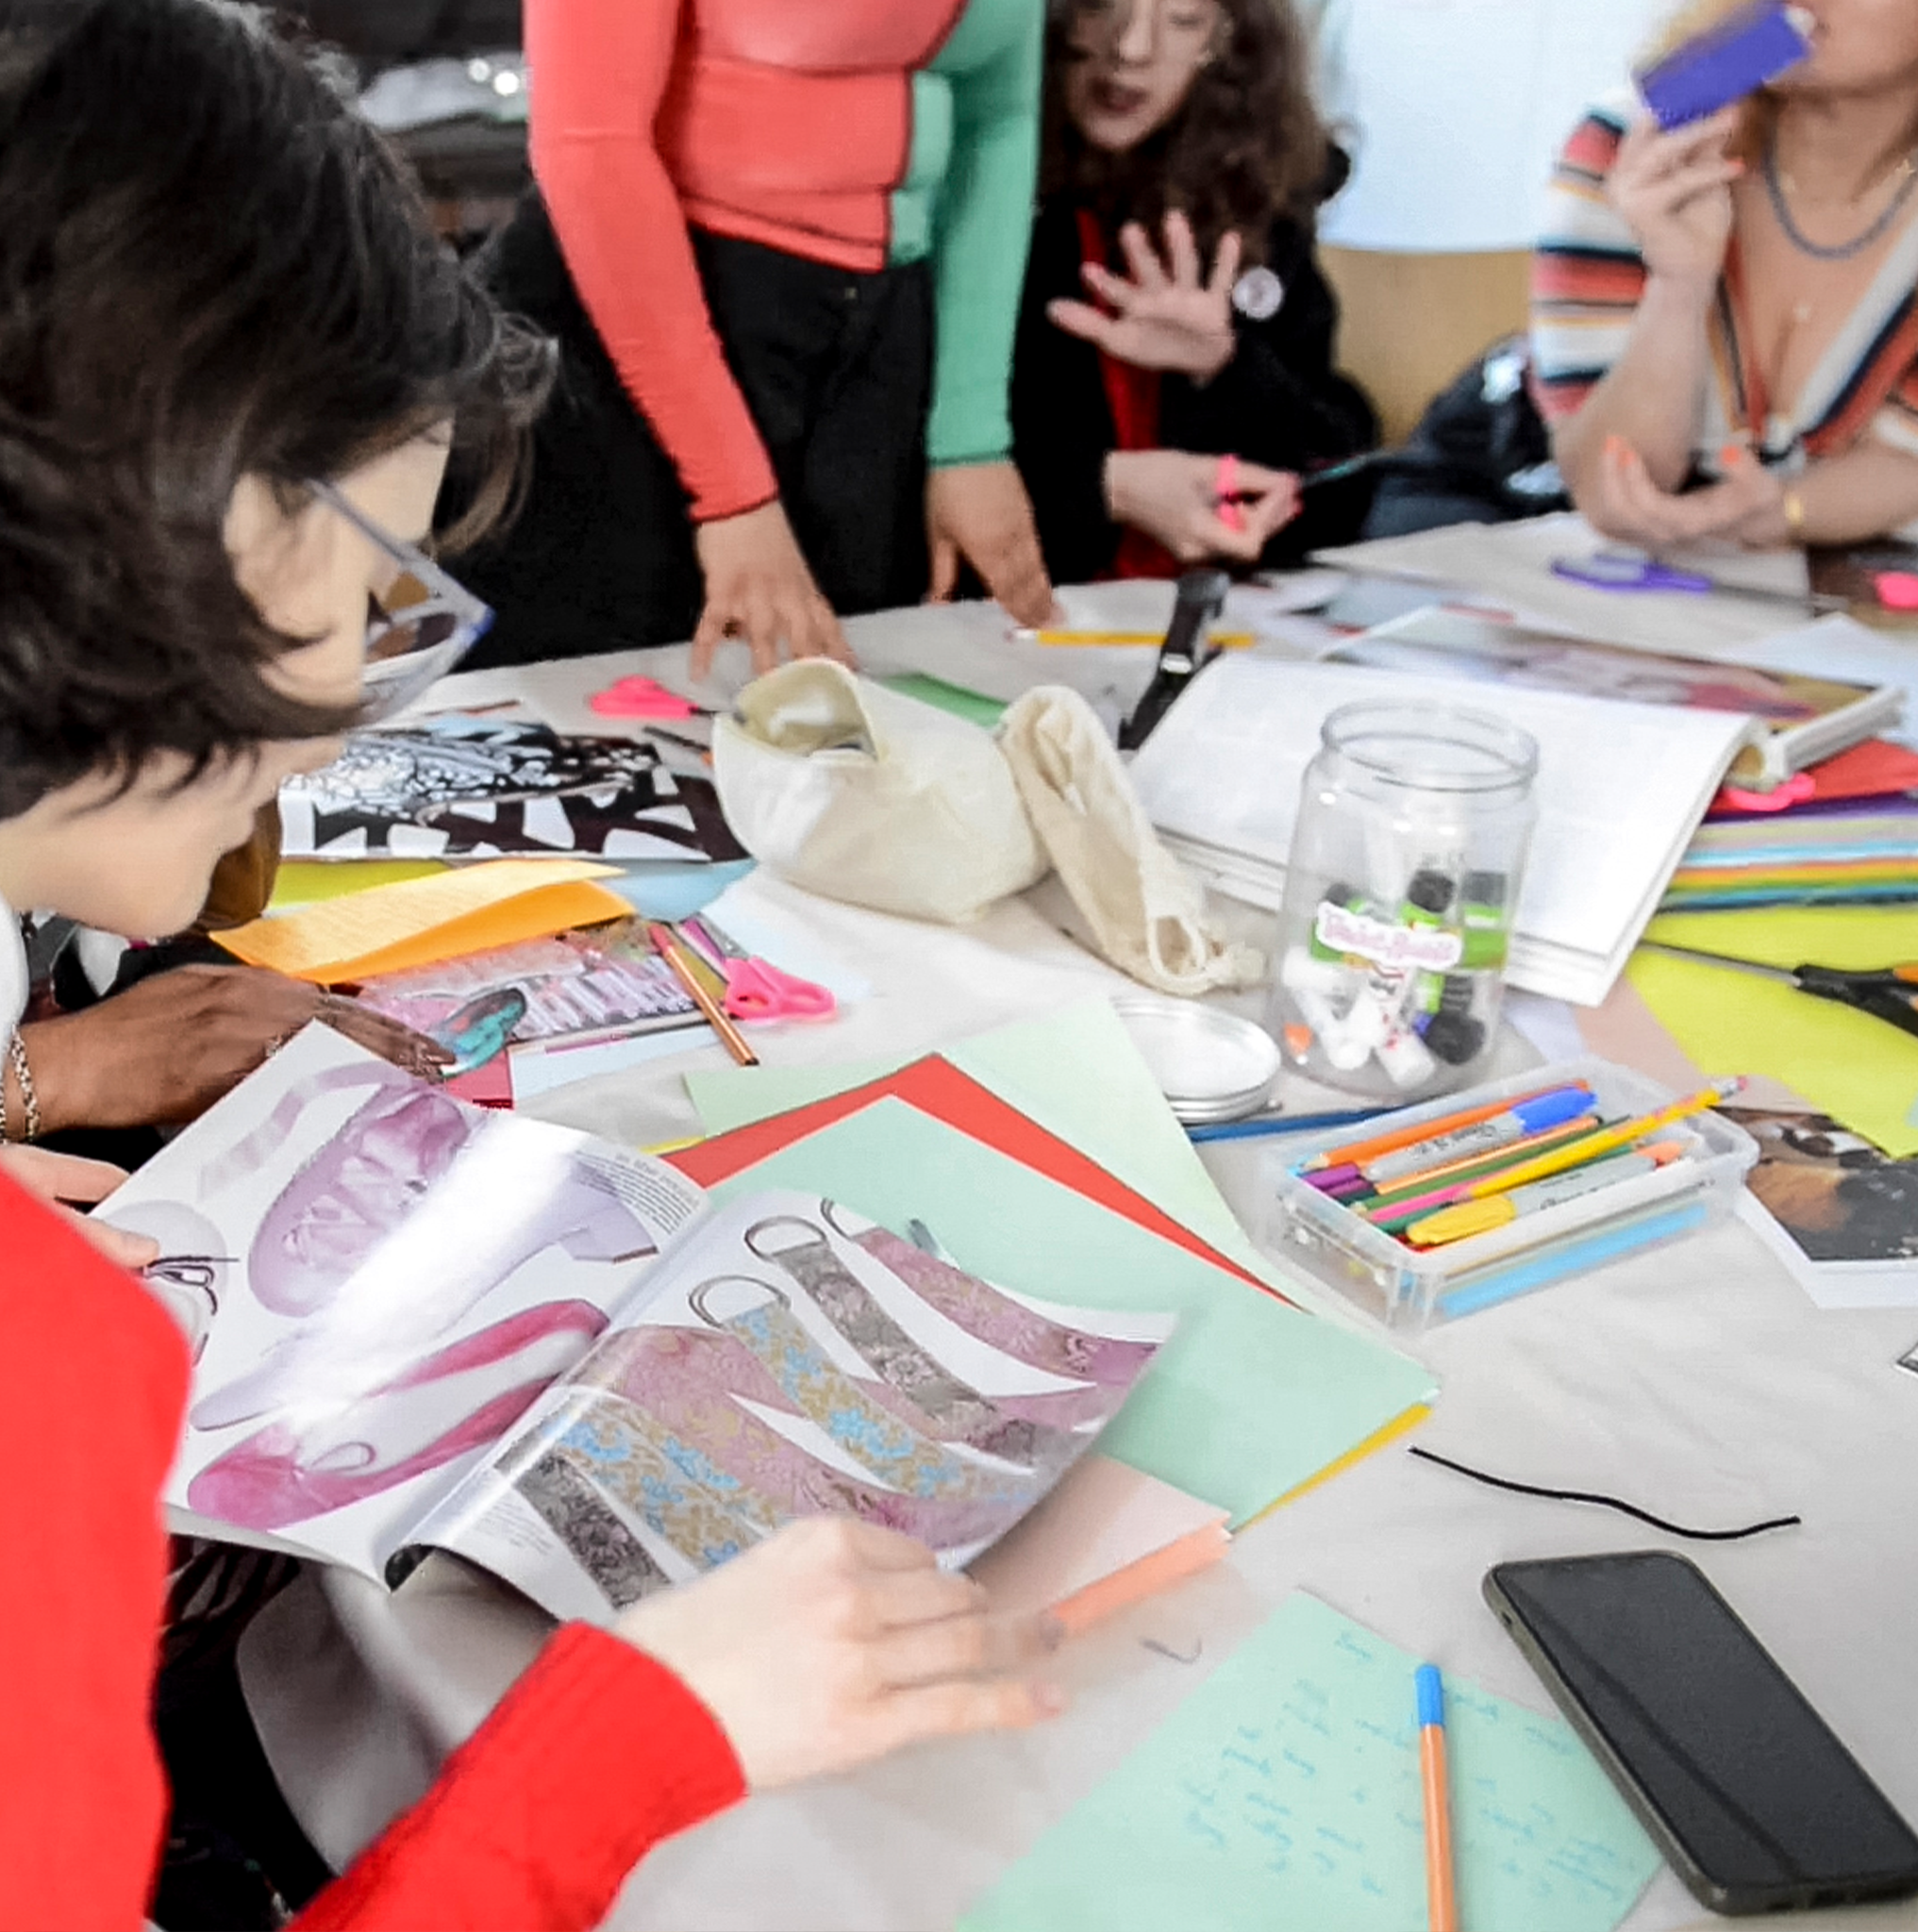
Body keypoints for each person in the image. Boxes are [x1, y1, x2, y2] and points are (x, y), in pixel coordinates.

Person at [0, 8, 1059, 1929]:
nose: (338, 736)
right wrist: (639, 1733)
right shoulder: (38, 1376)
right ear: (176, 526)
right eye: (373, 600)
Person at [456, 0, 1059, 677]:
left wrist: (970, 441)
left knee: (850, 723)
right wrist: (732, 491)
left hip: (875, 343)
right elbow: (592, 146)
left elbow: (997, 114)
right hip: (630, 335)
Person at [1531, 0, 1918, 552]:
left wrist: (1784, 511)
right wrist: (1679, 284)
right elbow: (1613, 495)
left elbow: (1915, 463)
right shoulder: (1640, 143)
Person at [1010, 0, 1377, 583]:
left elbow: (1338, 482)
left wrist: (1225, 369)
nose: (1132, 48)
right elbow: (891, 468)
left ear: (1226, 38)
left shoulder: (1259, 205)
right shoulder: (979, 196)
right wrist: (1103, 489)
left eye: (1182, 18)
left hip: (1202, 622)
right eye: (1099, 5)